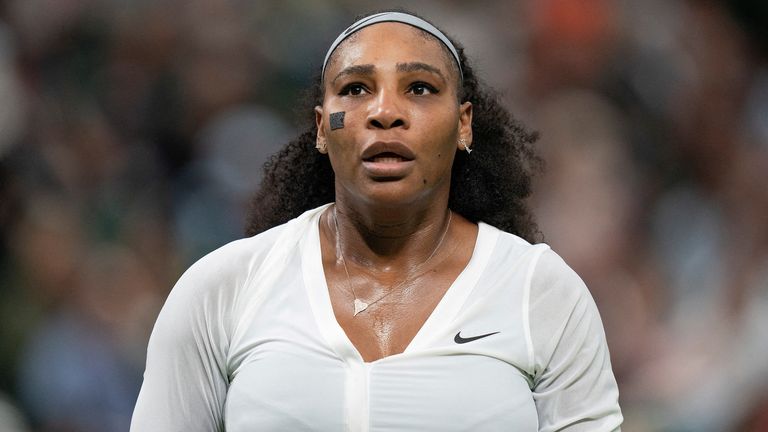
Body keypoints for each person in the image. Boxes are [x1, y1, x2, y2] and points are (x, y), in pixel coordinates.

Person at [131, 10, 623, 431]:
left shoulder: (542, 292)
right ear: (323, 128)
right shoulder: (222, 290)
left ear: (463, 123)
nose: (386, 112)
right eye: (357, 88)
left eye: (420, 88)